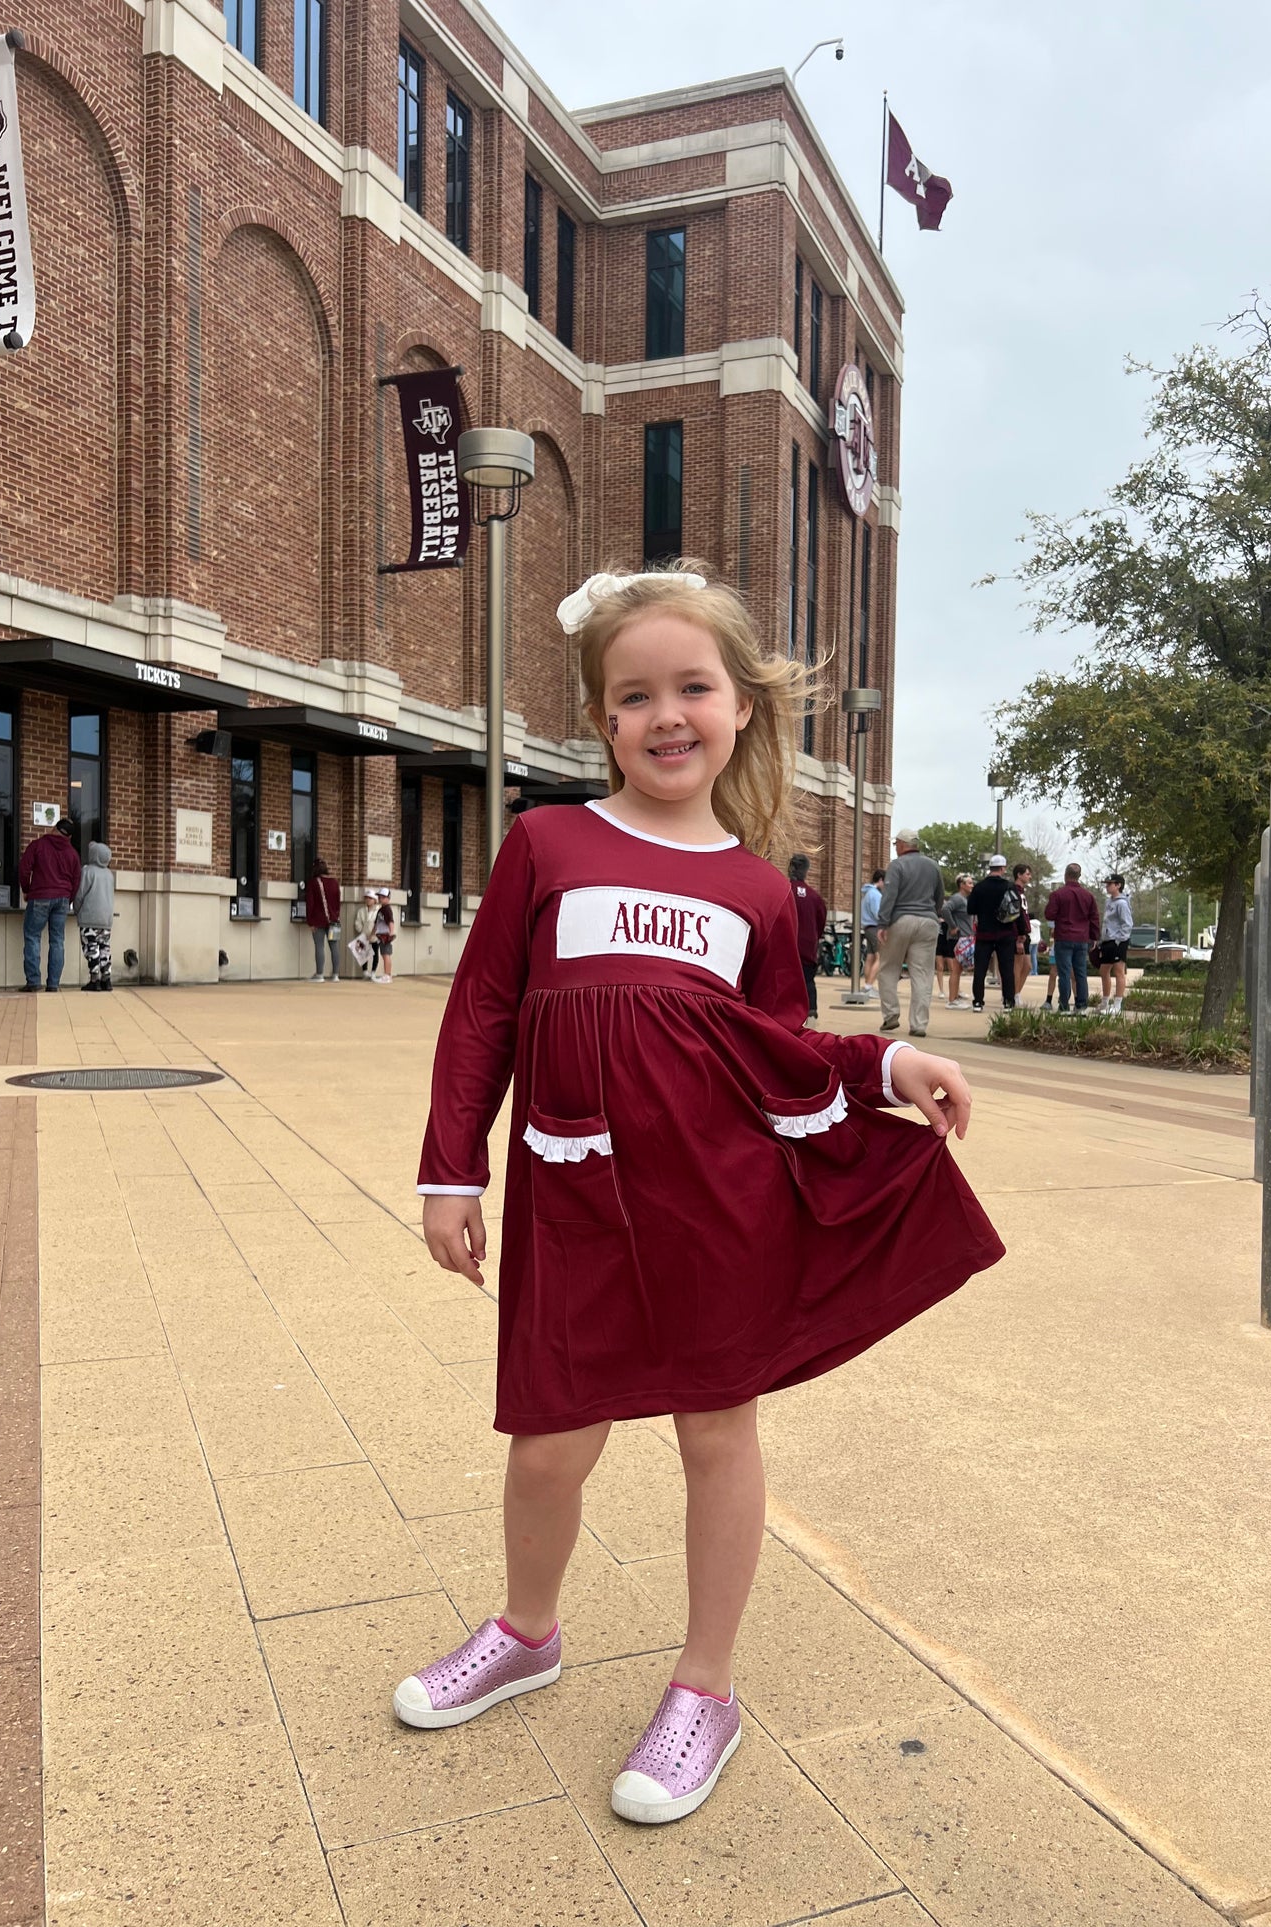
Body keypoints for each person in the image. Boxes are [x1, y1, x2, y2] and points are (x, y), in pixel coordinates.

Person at [399, 564, 1005, 1827]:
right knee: (548, 1443)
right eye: (633, 696)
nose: (664, 714)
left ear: (739, 709)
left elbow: (774, 1048)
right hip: (571, 1202)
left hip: (712, 1206)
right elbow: (483, 1014)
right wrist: (453, 1165)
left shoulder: (758, 892)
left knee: (714, 1433)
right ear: (603, 719)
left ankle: (704, 1687)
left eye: (691, 687)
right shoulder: (545, 843)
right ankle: (527, 1630)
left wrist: (887, 1059)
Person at [875, 829, 945, 1038]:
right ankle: (919, 1024)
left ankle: (891, 1015)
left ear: (903, 844)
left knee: (888, 968)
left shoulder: (897, 865)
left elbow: (890, 895)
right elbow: (939, 896)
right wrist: (934, 912)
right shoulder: (933, 866)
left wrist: (882, 923)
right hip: (928, 922)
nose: (895, 847)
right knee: (922, 973)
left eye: (896, 843)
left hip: (901, 920)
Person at [17, 817, 83, 993]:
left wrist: (26, 890)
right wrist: (68, 899)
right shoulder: (73, 854)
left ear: (54, 828)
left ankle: (33, 982)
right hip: (62, 899)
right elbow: (77, 880)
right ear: (68, 837)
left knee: (32, 936)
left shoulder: (38, 845)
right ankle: (53, 984)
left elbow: (24, 869)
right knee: (57, 940)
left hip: (39, 896)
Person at [966, 855, 1022, 1013]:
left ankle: (978, 1002)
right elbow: (1017, 910)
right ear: (1003, 868)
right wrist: (1022, 933)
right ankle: (1008, 1002)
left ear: (990, 868)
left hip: (984, 934)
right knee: (1006, 969)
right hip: (1005, 933)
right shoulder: (1009, 886)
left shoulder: (979, 887)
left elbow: (971, 909)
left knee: (980, 969)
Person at [1044, 862, 1101, 1014]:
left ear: (1065, 875)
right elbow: (1094, 918)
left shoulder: (1058, 895)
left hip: (1063, 937)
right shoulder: (1088, 896)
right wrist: (1094, 937)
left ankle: (1064, 1006)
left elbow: (1049, 914)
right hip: (1082, 939)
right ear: (1079, 876)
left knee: (1064, 973)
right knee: (1081, 973)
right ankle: (1081, 1006)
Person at [72, 841, 115, 992]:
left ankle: (94, 979)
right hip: (106, 919)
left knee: (91, 948)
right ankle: (107, 979)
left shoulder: (88, 871)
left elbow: (80, 893)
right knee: (105, 948)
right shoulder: (109, 874)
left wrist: (76, 909)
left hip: (90, 917)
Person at [788, 854, 826, 1022]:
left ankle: (788, 1013)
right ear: (806, 871)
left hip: (786, 947)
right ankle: (811, 1011)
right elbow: (821, 922)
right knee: (808, 981)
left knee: (786, 982)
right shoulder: (814, 897)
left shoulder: (783, 890)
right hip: (808, 948)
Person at [1099, 874, 1134, 1012]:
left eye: (1110, 884)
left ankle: (1117, 1004)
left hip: (1118, 941)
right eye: (1106, 884)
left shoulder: (1122, 903)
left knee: (1118, 971)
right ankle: (1105, 1002)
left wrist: (1119, 940)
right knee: (1103, 971)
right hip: (1107, 940)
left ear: (1118, 885)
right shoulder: (1109, 902)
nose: (1107, 886)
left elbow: (1127, 924)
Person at [940, 874, 974, 1007]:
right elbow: (945, 909)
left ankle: (955, 996)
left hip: (964, 937)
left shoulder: (965, 900)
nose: (972, 885)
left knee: (958, 969)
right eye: (969, 883)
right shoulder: (957, 898)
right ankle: (952, 1000)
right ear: (962, 885)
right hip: (957, 938)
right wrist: (953, 926)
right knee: (956, 968)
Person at [307, 857, 342, 982]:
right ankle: (335, 975)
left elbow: (310, 903)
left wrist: (310, 921)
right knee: (334, 947)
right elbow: (338, 902)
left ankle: (320, 974)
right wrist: (337, 916)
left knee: (319, 946)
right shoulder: (334, 882)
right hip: (334, 920)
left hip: (318, 920)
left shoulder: (313, 883)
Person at [1012, 863, 1036, 999]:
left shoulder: (1022, 892)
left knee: (1027, 966)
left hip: (1026, 933)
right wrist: (1018, 936)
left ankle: (1016, 992)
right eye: (1027, 874)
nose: (1030, 876)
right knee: (1018, 965)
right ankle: (1014, 995)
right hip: (1018, 934)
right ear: (1019, 875)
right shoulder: (1014, 891)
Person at [860, 868, 885, 991]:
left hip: (867, 927)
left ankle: (867, 984)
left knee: (870, 956)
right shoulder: (876, 895)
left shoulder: (867, 893)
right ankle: (869, 986)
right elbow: (878, 913)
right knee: (881, 957)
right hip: (875, 927)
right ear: (880, 880)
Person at [353, 889, 380, 980]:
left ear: (375, 900)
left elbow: (379, 923)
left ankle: (373, 972)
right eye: (367, 898)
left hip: (375, 936)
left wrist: (374, 933)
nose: (368, 900)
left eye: (370, 898)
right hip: (364, 935)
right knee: (363, 954)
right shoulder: (361, 911)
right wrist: (361, 931)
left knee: (375, 953)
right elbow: (357, 922)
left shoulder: (378, 910)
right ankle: (364, 972)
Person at [373, 886, 398, 982]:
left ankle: (387, 975)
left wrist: (391, 933)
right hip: (380, 935)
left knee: (386, 954)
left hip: (385, 935)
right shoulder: (381, 910)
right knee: (384, 954)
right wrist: (372, 933)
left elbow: (391, 922)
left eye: (382, 897)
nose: (380, 899)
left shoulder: (387, 909)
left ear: (388, 898)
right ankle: (386, 974)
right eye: (379, 897)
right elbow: (376, 923)